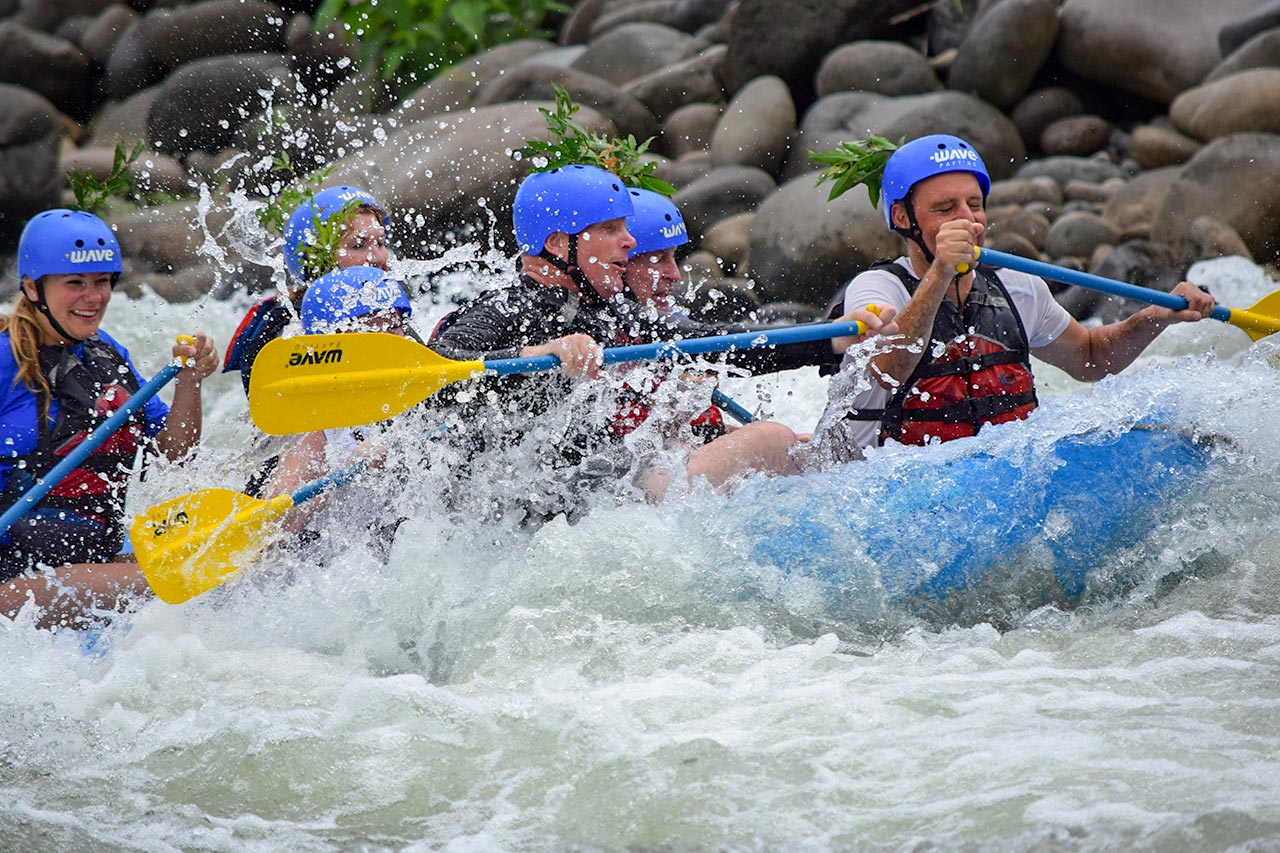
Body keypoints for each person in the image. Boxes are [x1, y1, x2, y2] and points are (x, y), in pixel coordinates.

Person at [428, 164, 892, 520]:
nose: (629, 242)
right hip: (525, 511)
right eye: (610, 230)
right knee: (771, 440)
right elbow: (440, 367)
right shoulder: (507, 307)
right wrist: (535, 355)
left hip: (600, 496)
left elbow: (719, 343)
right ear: (556, 244)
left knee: (796, 451)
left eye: (626, 229)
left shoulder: (610, 314)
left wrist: (830, 340)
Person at [818, 133, 1215, 455]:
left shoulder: (1017, 287)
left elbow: (1091, 359)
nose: (967, 218)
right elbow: (888, 368)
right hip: (890, 486)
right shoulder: (877, 289)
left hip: (995, 479)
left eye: (974, 204)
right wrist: (940, 273)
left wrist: (1155, 318)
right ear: (904, 219)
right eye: (945, 208)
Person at [1, 208, 218, 628]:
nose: (94, 297)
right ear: (32, 288)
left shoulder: (105, 354)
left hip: (86, 562)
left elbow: (173, 455)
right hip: (16, 576)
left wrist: (189, 383)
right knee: (185, 578)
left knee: (215, 557)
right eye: (75, 283)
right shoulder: (3, 360)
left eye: (102, 282)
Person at [263, 265, 411, 551]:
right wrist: (340, 465)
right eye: (385, 326)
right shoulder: (314, 422)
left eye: (399, 325)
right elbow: (274, 531)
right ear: (342, 337)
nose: (400, 339)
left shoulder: (404, 398)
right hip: (319, 569)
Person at [223, 185, 391, 394]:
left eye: (381, 243)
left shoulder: (389, 310)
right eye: (358, 246)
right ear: (316, 261)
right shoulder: (292, 323)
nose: (377, 257)